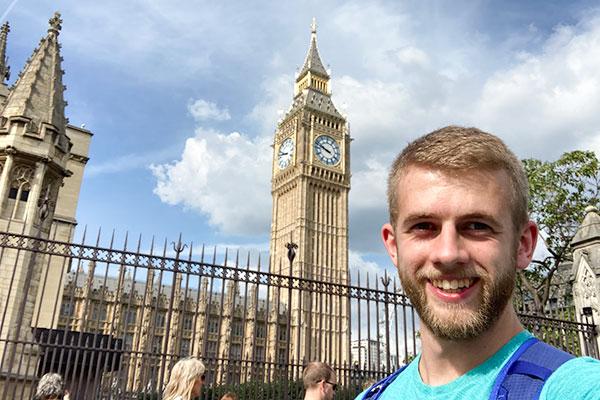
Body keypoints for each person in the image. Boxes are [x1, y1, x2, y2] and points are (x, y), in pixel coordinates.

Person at [357, 126, 600, 399]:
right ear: (393, 246)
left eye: (476, 226)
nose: (448, 254)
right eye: (424, 226)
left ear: (524, 245)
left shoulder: (576, 389)